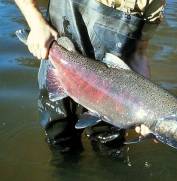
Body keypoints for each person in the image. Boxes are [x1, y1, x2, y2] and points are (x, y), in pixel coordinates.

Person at [15, 0, 165, 152]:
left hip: (113, 95)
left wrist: (147, 109)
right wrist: (36, 23)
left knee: (110, 149)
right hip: (61, 67)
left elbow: (139, 52)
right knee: (61, 142)